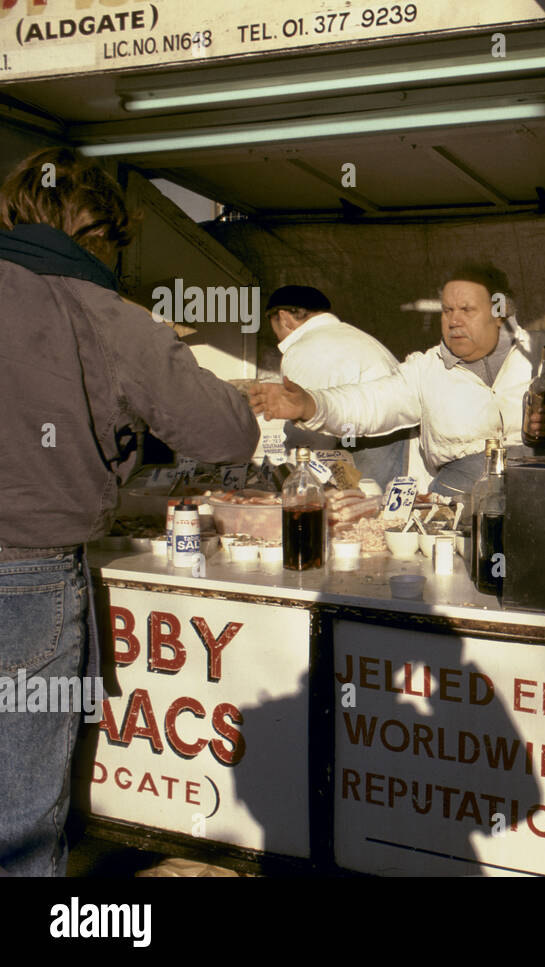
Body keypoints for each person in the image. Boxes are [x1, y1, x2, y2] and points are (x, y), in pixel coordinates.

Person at [0, 148, 259, 876]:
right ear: (100, 234)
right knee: (17, 820)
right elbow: (228, 431)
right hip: (25, 579)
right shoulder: (107, 313)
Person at [250, 263, 545, 496]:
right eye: (447, 310)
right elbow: (370, 402)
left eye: (467, 310)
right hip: (457, 500)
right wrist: (310, 404)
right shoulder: (426, 368)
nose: (454, 320)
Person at [266, 285, 411, 488]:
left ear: (283, 318)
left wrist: (282, 473)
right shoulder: (358, 338)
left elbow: (307, 436)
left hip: (365, 448)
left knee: (359, 513)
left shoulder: (303, 349)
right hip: (395, 447)